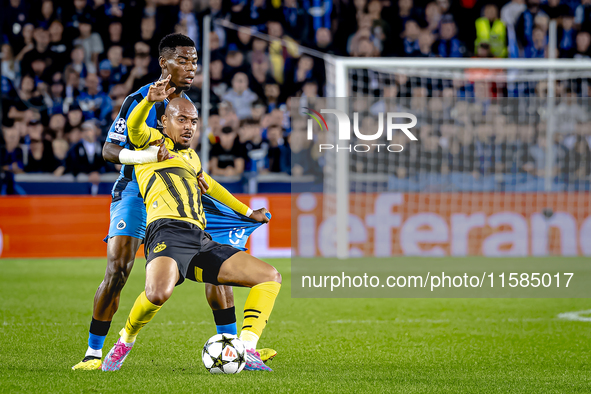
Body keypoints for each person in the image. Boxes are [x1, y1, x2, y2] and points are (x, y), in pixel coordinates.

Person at [72, 34, 275, 371]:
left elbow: (201, 175)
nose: (191, 67)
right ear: (164, 64)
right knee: (119, 269)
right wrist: (147, 155)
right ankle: (95, 352)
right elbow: (109, 151)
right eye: (183, 60)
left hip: (182, 190)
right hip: (136, 191)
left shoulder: (188, 106)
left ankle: (232, 348)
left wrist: (243, 210)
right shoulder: (142, 100)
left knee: (219, 267)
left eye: (194, 61)